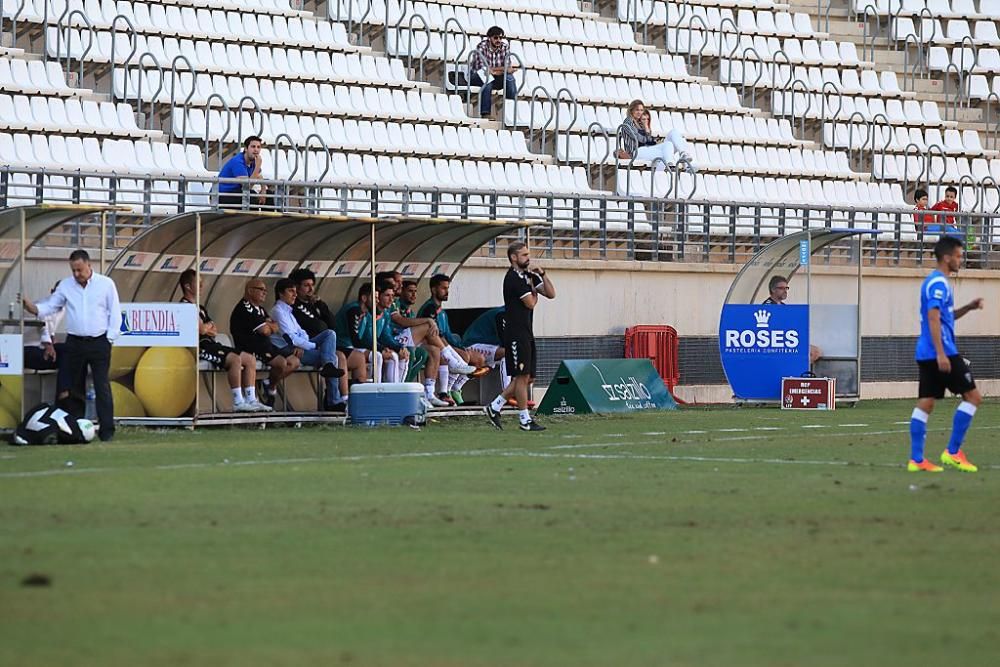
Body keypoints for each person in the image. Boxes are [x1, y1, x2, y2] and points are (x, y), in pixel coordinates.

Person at [21, 249, 120, 442]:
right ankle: (75, 428)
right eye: (73, 270)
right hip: (75, 341)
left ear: (89, 265)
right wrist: (31, 307)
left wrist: (110, 338)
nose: (76, 274)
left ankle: (107, 430)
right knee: (75, 387)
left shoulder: (105, 284)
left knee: (102, 386)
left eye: (79, 270)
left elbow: (114, 311)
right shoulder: (66, 286)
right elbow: (50, 307)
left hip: (99, 341)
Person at [908, 236, 983, 473]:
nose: (961, 260)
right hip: (943, 351)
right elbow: (932, 317)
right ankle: (952, 452)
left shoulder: (937, 282)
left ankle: (917, 460)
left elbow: (944, 316)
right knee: (973, 398)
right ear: (947, 257)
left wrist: (969, 308)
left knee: (926, 403)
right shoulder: (938, 283)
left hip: (928, 351)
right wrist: (941, 353)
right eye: (959, 256)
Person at [485, 242, 555, 432]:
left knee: (527, 378)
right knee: (521, 376)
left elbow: (551, 293)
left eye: (528, 254)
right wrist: (533, 290)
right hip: (516, 334)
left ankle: (495, 406)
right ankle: (524, 419)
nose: (528, 257)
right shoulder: (513, 279)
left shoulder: (529, 276)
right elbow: (530, 303)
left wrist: (543, 274)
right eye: (523, 255)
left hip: (527, 332)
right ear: (513, 257)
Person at [178, 269, 270, 413]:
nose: (202, 287)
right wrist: (204, 328)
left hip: (211, 344)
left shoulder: (200, 308)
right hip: (200, 347)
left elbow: (214, 329)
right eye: (199, 284)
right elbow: (201, 330)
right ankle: (238, 402)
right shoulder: (184, 306)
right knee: (234, 360)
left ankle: (251, 400)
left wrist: (205, 328)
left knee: (250, 359)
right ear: (188, 286)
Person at [270, 278, 347, 411]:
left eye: (295, 291)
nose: (294, 294)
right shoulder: (278, 311)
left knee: (329, 334)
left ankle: (329, 374)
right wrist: (312, 346)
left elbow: (302, 332)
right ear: (281, 294)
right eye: (290, 291)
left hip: (301, 347)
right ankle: (333, 401)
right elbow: (290, 337)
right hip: (288, 350)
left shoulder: (288, 311)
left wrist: (306, 343)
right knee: (332, 358)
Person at [289, 268, 358, 407]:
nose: (310, 289)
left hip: (319, 346)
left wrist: (321, 304)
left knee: (334, 356)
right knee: (334, 357)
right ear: (296, 287)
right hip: (303, 346)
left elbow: (332, 324)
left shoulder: (314, 305)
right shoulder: (292, 306)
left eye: (312, 285)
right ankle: (337, 399)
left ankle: (338, 399)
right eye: (306, 285)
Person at [417, 274, 490, 405]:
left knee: (469, 357)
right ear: (434, 290)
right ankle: (445, 392)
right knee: (456, 358)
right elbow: (434, 336)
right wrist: (453, 352)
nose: (447, 292)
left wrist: (461, 347)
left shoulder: (441, 311)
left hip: (442, 344)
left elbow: (448, 335)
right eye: (443, 288)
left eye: (448, 288)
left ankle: (453, 390)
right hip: (426, 345)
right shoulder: (429, 308)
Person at [229, 278, 300, 408]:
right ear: (250, 291)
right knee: (281, 362)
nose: (264, 293)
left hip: (265, 345)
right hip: (250, 347)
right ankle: (262, 394)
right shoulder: (245, 307)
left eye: (265, 290)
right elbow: (266, 331)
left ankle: (268, 383)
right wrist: (269, 326)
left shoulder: (260, 309)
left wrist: (269, 326)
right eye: (261, 290)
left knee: (294, 361)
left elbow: (274, 326)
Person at [617, 99, 695, 173]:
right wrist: (647, 131)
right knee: (667, 151)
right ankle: (679, 166)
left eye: (641, 110)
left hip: (647, 149)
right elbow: (640, 139)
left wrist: (649, 133)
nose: (639, 112)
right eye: (637, 110)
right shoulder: (628, 122)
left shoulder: (640, 123)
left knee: (674, 134)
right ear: (631, 110)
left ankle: (682, 155)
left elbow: (648, 141)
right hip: (637, 152)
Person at [22, 281, 71, 401]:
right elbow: (42, 323)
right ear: (52, 292)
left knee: (71, 351)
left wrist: (52, 340)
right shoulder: (42, 304)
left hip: (42, 348)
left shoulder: (62, 309)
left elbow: (50, 327)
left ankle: (64, 391)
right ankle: (63, 393)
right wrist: (48, 344)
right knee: (67, 357)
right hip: (27, 350)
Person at [762, 275, 822, 365]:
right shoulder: (768, 306)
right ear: (773, 289)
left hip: (788, 340)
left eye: (786, 288)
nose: (785, 291)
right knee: (813, 352)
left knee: (816, 351)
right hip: (778, 343)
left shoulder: (783, 306)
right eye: (782, 288)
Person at [470, 26, 518, 119]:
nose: (498, 40)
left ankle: (511, 112)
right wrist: (500, 70)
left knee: (509, 78)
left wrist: (494, 71)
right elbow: (483, 68)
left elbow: (507, 68)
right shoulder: (482, 46)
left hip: (494, 76)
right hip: (477, 76)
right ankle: (485, 113)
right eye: (496, 37)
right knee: (488, 79)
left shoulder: (504, 47)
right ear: (489, 38)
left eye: (500, 38)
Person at [218, 135, 265, 208]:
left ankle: (268, 219)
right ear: (246, 149)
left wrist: (263, 191)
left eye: (258, 147)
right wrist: (257, 166)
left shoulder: (254, 162)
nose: (256, 150)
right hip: (222, 195)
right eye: (253, 147)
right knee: (252, 196)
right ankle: (250, 219)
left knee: (270, 195)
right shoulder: (238, 162)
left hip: (237, 194)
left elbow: (260, 178)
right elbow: (247, 187)